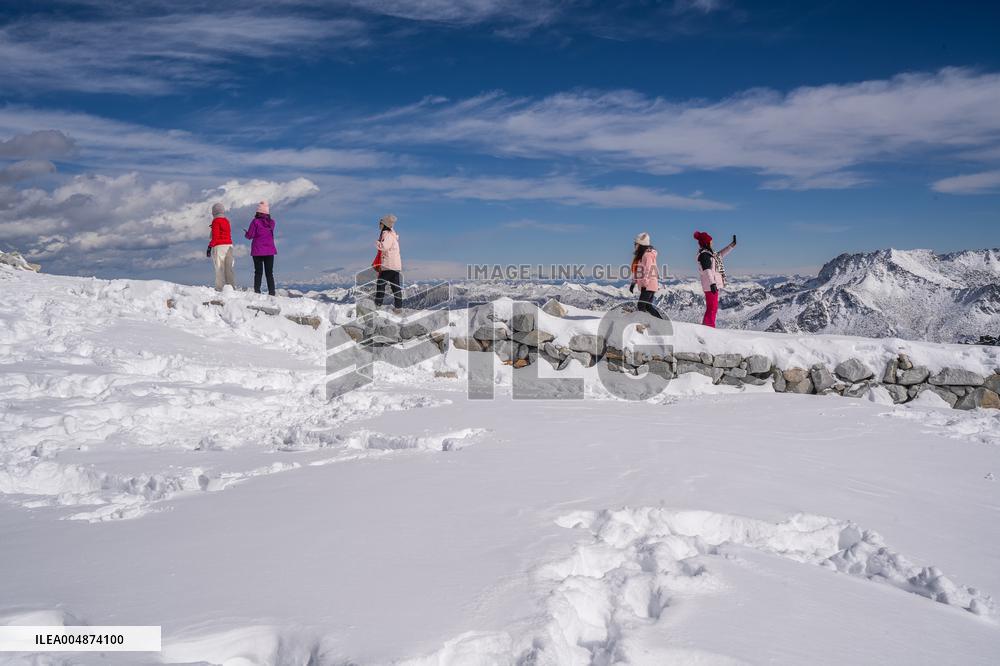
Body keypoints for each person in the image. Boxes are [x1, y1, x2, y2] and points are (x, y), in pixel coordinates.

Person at [694, 231, 736, 328]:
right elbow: (707, 270)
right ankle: (709, 328)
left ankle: (708, 326)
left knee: (712, 307)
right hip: (710, 285)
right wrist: (712, 283)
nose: (712, 243)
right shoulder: (704, 255)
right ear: (706, 242)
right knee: (712, 308)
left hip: (711, 284)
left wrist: (731, 246)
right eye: (711, 241)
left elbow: (720, 255)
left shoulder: (710, 254)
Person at [245, 200, 277, 296]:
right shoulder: (272, 223)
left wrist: (246, 233)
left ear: (258, 212)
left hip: (257, 251)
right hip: (269, 251)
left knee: (258, 272)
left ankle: (257, 292)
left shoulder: (255, 222)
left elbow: (250, 236)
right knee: (269, 273)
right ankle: (272, 293)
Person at [374, 214, 403, 313]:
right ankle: (398, 307)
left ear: (384, 224)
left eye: (380, 223)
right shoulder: (393, 235)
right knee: (396, 287)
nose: (379, 225)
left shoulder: (387, 234)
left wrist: (377, 243)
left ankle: (378, 305)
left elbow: (384, 247)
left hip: (388, 265)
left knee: (380, 284)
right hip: (395, 265)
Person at [629, 232, 662, 318]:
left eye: (636, 244)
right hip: (648, 285)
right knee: (648, 306)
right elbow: (638, 271)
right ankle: (662, 322)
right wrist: (633, 283)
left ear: (641, 244)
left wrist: (645, 284)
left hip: (649, 285)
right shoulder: (642, 256)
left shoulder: (647, 255)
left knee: (641, 306)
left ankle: (643, 323)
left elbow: (648, 270)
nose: (635, 245)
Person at [207, 202, 236, 291]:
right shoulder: (227, 221)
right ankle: (231, 287)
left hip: (219, 247)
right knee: (229, 268)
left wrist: (209, 247)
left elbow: (215, 237)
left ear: (214, 212)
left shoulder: (216, 221)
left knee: (219, 268)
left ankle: (220, 288)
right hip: (229, 246)